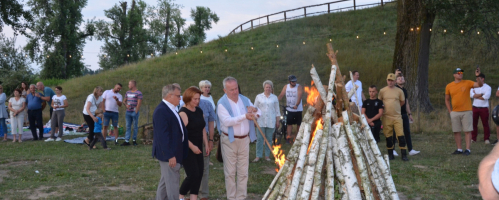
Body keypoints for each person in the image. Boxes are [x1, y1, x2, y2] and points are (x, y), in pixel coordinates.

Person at [217, 76, 261, 200]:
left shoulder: (245, 99)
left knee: (243, 171)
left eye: (236, 88)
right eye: (231, 90)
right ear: (225, 90)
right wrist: (244, 116)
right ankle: (231, 197)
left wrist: (255, 110)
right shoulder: (221, 103)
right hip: (229, 140)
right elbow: (227, 122)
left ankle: (241, 197)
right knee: (230, 172)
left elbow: (259, 114)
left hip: (244, 140)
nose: (235, 91)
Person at [153, 84, 189, 200]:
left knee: (165, 182)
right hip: (169, 154)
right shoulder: (161, 111)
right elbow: (162, 136)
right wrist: (170, 155)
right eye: (178, 96)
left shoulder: (171, 109)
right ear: (169, 96)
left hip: (174, 152)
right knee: (173, 184)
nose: (180, 98)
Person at [178, 87, 210, 200]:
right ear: (188, 98)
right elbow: (180, 135)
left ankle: (193, 198)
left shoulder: (199, 110)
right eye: (194, 99)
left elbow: (202, 129)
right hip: (187, 147)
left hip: (198, 146)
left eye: (198, 98)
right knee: (193, 174)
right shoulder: (183, 113)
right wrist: (192, 147)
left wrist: (206, 143)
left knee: (199, 174)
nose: (197, 101)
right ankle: (180, 196)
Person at [445, 67, 483, 156]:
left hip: (467, 110)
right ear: (454, 75)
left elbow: (479, 85)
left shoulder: (467, 82)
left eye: (461, 72)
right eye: (458, 73)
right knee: (456, 131)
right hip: (455, 112)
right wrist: (450, 111)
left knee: (467, 130)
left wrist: (478, 76)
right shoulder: (449, 86)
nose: (460, 74)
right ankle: (459, 149)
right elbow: (447, 99)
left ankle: (468, 149)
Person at [379, 73, 408, 161]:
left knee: (400, 135)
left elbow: (402, 102)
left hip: (397, 117)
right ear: (387, 80)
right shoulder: (382, 91)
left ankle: (404, 154)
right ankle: (390, 154)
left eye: (392, 80)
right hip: (386, 117)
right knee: (388, 136)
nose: (390, 82)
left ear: (395, 81)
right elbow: (380, 103)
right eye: (389, 80)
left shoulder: (399, 91)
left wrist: (396, 107)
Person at [392, 71, 420, 156]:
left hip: (404, 114)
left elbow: (406, 103)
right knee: (394, 132)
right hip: (396, 114)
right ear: (396, 81)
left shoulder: (405, 90)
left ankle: (410, 150)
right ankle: (392, 150)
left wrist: (410, 114)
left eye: (402, 78)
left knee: (407, 131)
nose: (401, 79)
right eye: (399, 78)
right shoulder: (394, 89)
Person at [253, 80, 281, 162]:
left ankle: (267, 155)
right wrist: (255, 119)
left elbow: (277, 110)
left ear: (271, 88)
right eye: (266, 87)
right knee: (260, 139)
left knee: (269, 139)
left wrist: (277, 121)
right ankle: (258, 156)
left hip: (271, 121)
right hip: (261, 121)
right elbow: (255, 108)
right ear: (264, 88)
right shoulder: (259, 97)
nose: (268, 88)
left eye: (269, 87)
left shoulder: (274, 97)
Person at [198, 95, 216, 200]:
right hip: (190, 140)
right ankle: (191, 192)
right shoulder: (184, 106)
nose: (196, 100)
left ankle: (204, 194)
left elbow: (211, 123)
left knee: (204, 167)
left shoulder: (207, 104)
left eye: (197, 97)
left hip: (204, 138)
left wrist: (210, 140)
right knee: (192, 169)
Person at [278, 75, 303, 144]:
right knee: (289, 124)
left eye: (295, 81)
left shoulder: (299, 87)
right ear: (289, 82)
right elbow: (281, 95)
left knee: (298, 124)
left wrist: (297, 105)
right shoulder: (286, 87)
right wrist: (275, 101)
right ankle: (288, 137)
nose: (294, 82)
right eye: (293, 82)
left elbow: (300, 96)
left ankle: (297, 138)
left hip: (298, 109)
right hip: (289, 109)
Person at [470, 73, 491, 144]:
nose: (476, 80)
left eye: (478, 79)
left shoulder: (488, 87)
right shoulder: (473, 86)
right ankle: (473, 138)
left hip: (484, 108)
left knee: (485, 123)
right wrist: (481, 94)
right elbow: (471, 95)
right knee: (473, 124)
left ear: (482, 79)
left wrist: (476, 95)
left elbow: (486, 97)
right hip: (475, 107)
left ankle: (486, 138)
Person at [122, 80, 143, 146]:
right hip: (128, 112)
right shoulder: (127, 92)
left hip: (134, 111)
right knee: (128, 126)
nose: (128, 85)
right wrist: (126, 105)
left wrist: (136, 111)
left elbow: (139, 103)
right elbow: (124, 101)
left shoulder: (138, 93)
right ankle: (126, 140)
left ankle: (134, 140)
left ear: (133, 85)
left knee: (135, 126)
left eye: (129, 84)